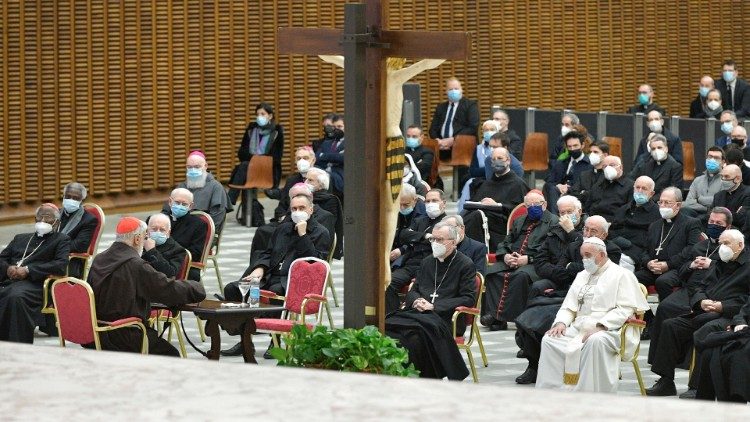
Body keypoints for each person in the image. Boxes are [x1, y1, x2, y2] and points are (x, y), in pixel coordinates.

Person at [515, 214, 623, 385]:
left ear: (604, 235)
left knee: (542, 320)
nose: (587, 233)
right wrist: (571, 269)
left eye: (593, 230)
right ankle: (535, 366)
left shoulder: (612, 251)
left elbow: (595, 276)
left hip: (595, 313)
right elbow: (560, 272)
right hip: (568, 298)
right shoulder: (575, 248)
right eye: (585, 229)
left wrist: (570, 267)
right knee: (528, 319)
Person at [222, 194, 331, 357]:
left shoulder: (320, 232)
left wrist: (303, 236)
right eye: (294, 209)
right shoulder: (283, 228)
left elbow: (314, 264)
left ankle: (276, 341)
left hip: (292, 282)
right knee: (234, 289)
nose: (297, 212)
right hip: (269, 276)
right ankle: (245, 339)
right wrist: (259, 269)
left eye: (301, 208)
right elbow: (267, 252)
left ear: (311, 209)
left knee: (275, 291)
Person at [536, 237, 650, 393]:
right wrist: (561, 323)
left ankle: (589, 394)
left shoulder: (622, 274)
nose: (584, 260)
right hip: (579, 327)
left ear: (602, 255)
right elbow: (569, 306)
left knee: (595, 341)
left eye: (588, 255)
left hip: (611, 329)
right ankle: (553, 392)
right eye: (582, 256)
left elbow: (626, 309)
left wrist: (601, 326)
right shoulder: (582, 275)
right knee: (550, 339)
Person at [647, 229, 750, 397]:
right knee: (671, 325)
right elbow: (699, 286)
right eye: (720, 243)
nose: (722, 247)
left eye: (726, 244)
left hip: (732, 316)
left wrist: (722, 306)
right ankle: (665, 380)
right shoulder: (718, 263)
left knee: (707, 331)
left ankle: (697, 386)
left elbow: (747, 300)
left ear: (740, 245)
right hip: (706, 311)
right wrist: (701, 301)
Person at [87, 217, 205, 356]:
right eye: (144, 238)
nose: (144, 242)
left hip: (96, 333)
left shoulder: (99, 258)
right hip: (126, 333)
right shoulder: (136, 264)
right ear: (137, 239)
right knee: (171, 355)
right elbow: (168, 289)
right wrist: (197, 288)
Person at [385, 222, 476, 380]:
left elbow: (468, 298)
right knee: (389, 329)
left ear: (453, 242)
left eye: (440, 240)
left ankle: (423, 378)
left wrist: (434, 306)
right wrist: (416, 301)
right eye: (433, 239)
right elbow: (414, 289)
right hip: (418, 314)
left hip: (445, 318)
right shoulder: (427, 261)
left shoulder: (465, 264)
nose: (435, 243)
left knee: (413, 339)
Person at [481, 190, 558, 331]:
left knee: (519, 276)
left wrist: (528, 259)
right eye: (529, 205)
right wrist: (505, 256)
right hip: (513, 259)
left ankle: (507, 316)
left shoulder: (554, 222)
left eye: (536, 204)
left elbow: (552, 250)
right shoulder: (520, 220)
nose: (532, 207)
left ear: (545, 205)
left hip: (536, 263)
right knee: (491, 273)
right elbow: (505, 242)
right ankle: (493, 315)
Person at [0, 204, 70, 343]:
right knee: (10, 293)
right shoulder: (20, 238)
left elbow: (60, 265)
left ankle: (16, 345)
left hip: (36, 283)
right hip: (10, 280)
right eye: (40, 217)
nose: (43, 220)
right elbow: (2, 258)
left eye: (48, 217)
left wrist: (28, 270)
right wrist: (8, 269)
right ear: (35, 219)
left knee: (15, 297)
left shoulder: (61, 240)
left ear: (56, 222)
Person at [635, 187, 702, 302]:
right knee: (633, 278)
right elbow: (645, 250)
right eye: (661, 202)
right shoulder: (654, 225)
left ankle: (666, 314)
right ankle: (646, 316)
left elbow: (691, 249)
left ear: (678, 205)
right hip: (653, 268)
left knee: (663, 281)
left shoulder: (691, 223)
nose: (663, 205)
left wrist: (668, 264)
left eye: (667, 202)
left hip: (676, 268)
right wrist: (648, 263)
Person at [387, 189, 448, 313]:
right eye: (427, 201)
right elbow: (404, 235)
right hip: (411, 263)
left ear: (444, 203)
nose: (431, 204)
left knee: (415, 292)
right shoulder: (420, 220)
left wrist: (416, 237)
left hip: (432, 266)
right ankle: (392, 317)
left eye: (435, 200)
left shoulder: (447, 222)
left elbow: (439, 242)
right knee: (388, 282)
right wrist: (425, 237)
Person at [461, 147, 529, 247]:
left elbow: (519, 210)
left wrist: (497, 205)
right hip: (481, 220)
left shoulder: (518, 184)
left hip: (501, 224)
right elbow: (473, 202)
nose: (496, 161)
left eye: (500, 158)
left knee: (476, 216)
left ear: (508, 160)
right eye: (493, 159)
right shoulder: (487, 183)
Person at [228, 102, 285, 204]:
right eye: (258, 114)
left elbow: (276, 157)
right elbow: (241, 153)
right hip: (249, 168)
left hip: (268, 170)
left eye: (263, 114)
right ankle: (237, 206)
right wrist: (256, 159)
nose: (259, 117)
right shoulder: (251, 130)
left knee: (245, 165)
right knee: (244, 165)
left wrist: (256, 159)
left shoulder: (276, 132)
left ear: (270, 116)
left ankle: (229, 201)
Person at [694, 299, 750, 402]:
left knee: (737, 355)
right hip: (745, 334)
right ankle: (706, 405)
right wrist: (739, 324)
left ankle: (735, 403)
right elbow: (742, 313)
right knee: (710, 352)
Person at [610, 176, 661, 263]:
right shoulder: (623, 209)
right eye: (637, 187)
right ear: (633, 189)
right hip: (616, 246)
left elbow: (653, 239)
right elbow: (613, 230)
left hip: (636, 253)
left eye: (644, 188)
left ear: (652, 193)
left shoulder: (657, 213)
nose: (640, 191)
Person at [160, 188, 208, 282]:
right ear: (170, 202)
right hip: (158, 258)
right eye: (177, 202)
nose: (180, 206)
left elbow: (196, 253)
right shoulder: (159, 220)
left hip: (181, 262)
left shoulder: (198, 224)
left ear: (191, 206)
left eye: (184, 204)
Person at [176, 150, 229, 234]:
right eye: (189, 167)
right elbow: (167, 211)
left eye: (197, 167)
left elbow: (216, 219)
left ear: (205, 166)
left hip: (202, 233)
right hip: (179, 230)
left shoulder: (216, 187)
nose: (193, 170)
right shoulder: (181, 186)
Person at [428, 77, 480, 161]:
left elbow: (472, 127)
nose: (453, 91)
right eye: (450, 89)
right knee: (427, 154)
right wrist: (438, 141)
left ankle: (461, 174)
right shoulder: (440, 107)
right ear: (446, 91)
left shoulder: (470, 105)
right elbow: (432, 129)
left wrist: (453, 140)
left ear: (461, 90)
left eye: (456, 88)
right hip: (442, 147)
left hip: (463, 145)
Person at [543, 131, 592, 214]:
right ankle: (554, 218)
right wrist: (558, 186)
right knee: (549, 187)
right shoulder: (561, 163)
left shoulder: (589, 165)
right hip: (557, 194)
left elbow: (586, 187)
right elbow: (550, 180)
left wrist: (568, 189)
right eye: (569, 146)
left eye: (575, 145)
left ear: (582, 145)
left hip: (576, 196)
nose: (572, 149)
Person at [57, 182, 98, 279]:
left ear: (82, 200)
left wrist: (52, 245)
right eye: (68, 196)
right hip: (50, 256)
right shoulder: (56, 213)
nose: (71, 200)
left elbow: (78, 246)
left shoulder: (88, 220)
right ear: (63, 197)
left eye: (75, 198)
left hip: (70, 261)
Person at [305, 167, 344, 258]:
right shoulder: (302, 197)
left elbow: (326, 226)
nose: (306, 182)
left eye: (310, 180)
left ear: (320, 184)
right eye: (305, 179)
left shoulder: (330, 200)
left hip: (317, 241)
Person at [273, 146, 316, 221]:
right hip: (290, 219)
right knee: (263, 230)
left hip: (313, 221)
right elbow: (282, 206)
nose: (302, 161)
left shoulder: (320, 179)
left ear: (313, 160)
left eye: (305, 158)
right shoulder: (291, 180)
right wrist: (282, 217)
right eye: (299, 159)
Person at [585, 156, 633, 222]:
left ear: (620, 167)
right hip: (595, 222)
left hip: (616, 225)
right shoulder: (598, 185)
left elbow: (629, 212)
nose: (608, 168)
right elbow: (588, 206)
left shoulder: (630, 186)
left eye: (612, 165)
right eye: (605, 166)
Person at [684, 147, 725, 221]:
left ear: (722, 162)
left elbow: (719, 204)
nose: (712, 160)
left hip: (715, 216)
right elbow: (688, 203)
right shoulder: (698, 180)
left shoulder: (725, 180)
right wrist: (706, 208)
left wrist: (700, 199)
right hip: (696, 213)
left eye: (716, 158)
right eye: (710, 157)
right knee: (684, 211)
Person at [142, 213, 188, 279]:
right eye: (154, 229)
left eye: (162, 230)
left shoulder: (178, 250)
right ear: (147, 230)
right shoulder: (141, 242)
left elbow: (170, 273)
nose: (158, 232)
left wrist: (152, 251)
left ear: (168, 233)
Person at [711, 164, 750, 230]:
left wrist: (719, 216)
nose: (723, 179)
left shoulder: (748, 193)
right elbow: (710, 215)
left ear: (737, 179)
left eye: (726, 177)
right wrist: (733, 214)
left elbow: (741, 219)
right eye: (722, 176)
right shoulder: (718, 195)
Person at [315, 114, 345, 200]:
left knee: (324, 178)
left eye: (340, 126)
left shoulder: (349, 142)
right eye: (334, 127)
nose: (337, 129)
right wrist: (335, 156)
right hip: (324, 171)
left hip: (339, 176)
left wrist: (324, 155)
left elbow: (342, 158)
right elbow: (317, 158)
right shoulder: (327, 142)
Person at [570, 141, 609, 207]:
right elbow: (573, 193)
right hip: (584, 211)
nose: (591, 154)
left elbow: (603, 196)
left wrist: (584, 193)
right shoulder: (584, 175)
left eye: (595, 152)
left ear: (605, 155)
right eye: (590, 152)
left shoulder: (609, 175)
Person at [392, 184, 425, 251]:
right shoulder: (394, 209)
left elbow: (417, 237)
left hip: (412, 251)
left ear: (415, 200)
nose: (402, 208)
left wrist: (402, 250)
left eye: (406, 205)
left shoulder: (424, 213)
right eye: (399, 204)